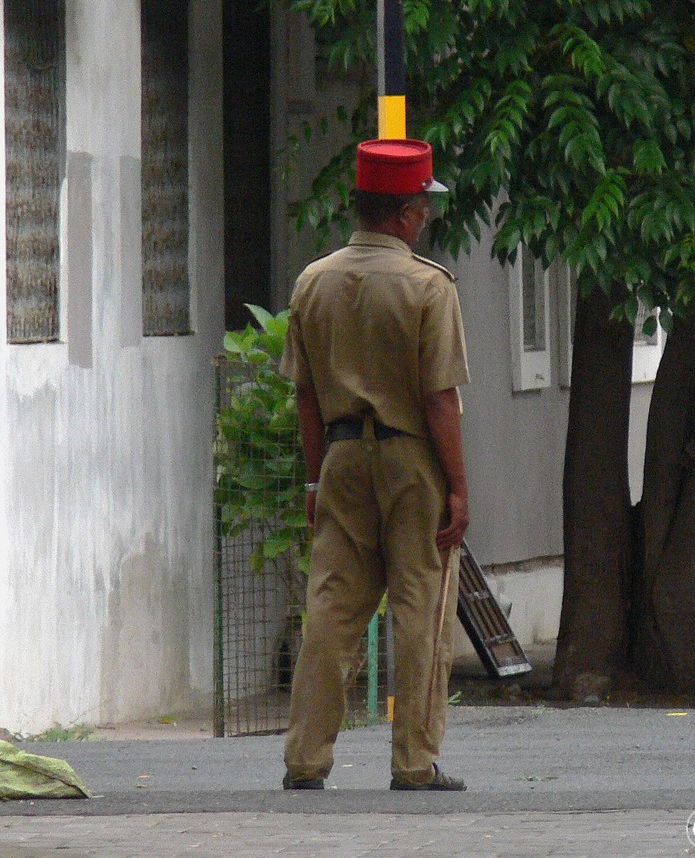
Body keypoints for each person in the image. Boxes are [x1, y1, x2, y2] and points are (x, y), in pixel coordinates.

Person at [279, 139, 471, 791]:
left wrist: (314, 478)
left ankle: (306, 758)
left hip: (339, 456)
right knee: (420, 606)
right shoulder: (427, 285)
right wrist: (460, 488)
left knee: (332, 607)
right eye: (423, 207)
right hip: (411, 458)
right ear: (407, 214)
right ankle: (414, 762)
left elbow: (305, 394)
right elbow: (439, 399)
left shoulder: (314, 281)